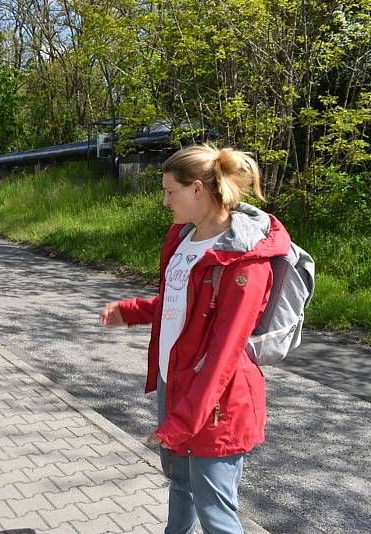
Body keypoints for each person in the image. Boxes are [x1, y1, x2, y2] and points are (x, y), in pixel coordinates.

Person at [100, 143, 290, 534]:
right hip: (177, 381)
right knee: (181, 485)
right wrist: (134, 311)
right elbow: (182, 304)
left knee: (215, 511)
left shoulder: (244, 263)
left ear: (198, 190)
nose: (166, 200)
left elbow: (224, 351)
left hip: (217, 398)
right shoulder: (182, 239)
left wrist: (183, 421)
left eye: (171, 191)